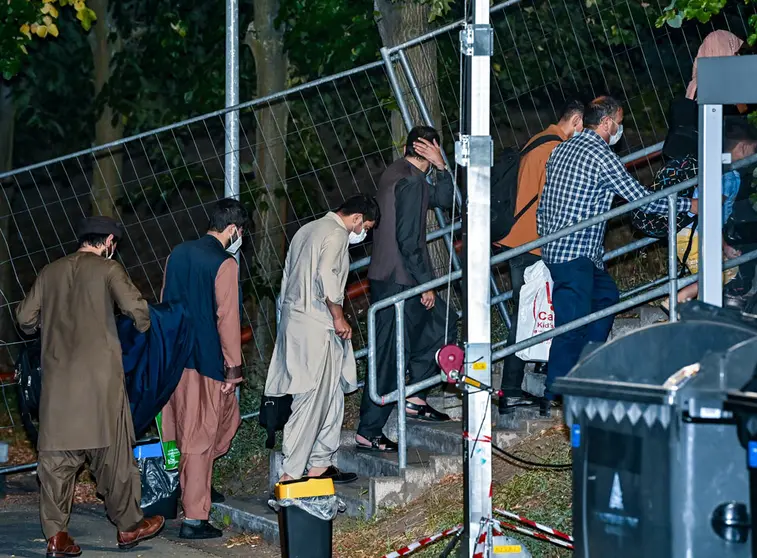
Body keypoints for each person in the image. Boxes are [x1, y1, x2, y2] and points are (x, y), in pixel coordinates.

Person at [16, 216, 164, 557]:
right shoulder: (109, 270)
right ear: (110, 241)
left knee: (55, 463)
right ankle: (128, 526)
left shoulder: (50, 271)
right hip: (100, 385)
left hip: (58, 387)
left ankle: (56, 537)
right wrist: (142, 326)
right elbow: (137, 311)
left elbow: (24, 319)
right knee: (114, 457)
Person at [536, 96, 698, 402]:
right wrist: (688, 204)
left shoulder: (562, 147)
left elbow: (543, 204)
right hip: (575, 254)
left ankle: (588, 365)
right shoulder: (600, 154)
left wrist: (547, 240)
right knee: (572, 323)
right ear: (607, 122)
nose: (620, 129)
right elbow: (638, 197)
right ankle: (555, 392)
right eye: (619, 122)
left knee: (607, 297)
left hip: (571, 251)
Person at [356, 125, 457, 453]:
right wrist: (425, 283)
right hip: (401, 279)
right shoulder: (411, 182)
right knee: (389, 350)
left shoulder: (398, 172)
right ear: (431, 148)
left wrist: (442, 169)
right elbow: (409, 240)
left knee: (441, 324)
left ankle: (414, 395)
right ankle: (369, 429)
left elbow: (447, 199)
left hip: (393, 276)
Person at [266, 195, 379, 483]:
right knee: (312, 397)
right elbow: (327, 276)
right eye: (365, 226)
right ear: (356, 218)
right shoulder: (337, 234)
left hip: (296, 321)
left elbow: (287, 275)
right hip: (318, 325)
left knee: (333, 394)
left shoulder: (306, 230)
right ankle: (291, 474)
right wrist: (338, 316)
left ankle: (321, 463)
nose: (363, 233)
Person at [161, 198, 248, 540]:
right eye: (240, 233)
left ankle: (200, 485)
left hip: (174, 358)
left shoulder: (178, 253)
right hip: (207, 361)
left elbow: (166, 300)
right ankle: (195, 517)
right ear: (232, 230)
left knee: (222, 421)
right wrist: (234, 368)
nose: (240, 238)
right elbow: (227, 318)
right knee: (199, 435)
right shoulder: (224, 263)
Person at [494, 99, 584, 414]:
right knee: (526, 318)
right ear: (576, 121)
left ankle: (529, 376)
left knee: (533, 314)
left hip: (521, 241)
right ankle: (511, 389)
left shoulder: (537, 141)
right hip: (532, 245)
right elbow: (551, 204)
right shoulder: (553, 149)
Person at [663, 118, 757, 310]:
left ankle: (688, 307)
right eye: (754, 150)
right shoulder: (729, 176)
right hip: (696, 233)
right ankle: (676, 303)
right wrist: (723, 245)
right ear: (743, 147)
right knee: (717, 275)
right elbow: (712, 213)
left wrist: (723, 246)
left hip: (690, 231)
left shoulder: (714, 166)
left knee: (722, 273)